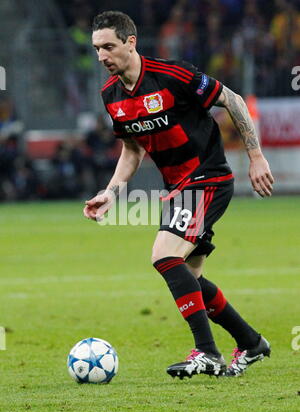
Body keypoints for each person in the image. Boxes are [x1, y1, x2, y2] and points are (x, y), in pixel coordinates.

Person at [84, 11, 274, 378]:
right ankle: (251, 344)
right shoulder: (111, 95)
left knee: (164, 256)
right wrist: (110, 193)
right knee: (191, 279)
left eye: (108, 46)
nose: (102, 56)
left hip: (207, 178)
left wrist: (255, 156)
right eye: (96, 49)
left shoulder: (173, 75)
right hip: (178, 189)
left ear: (130, 42)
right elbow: (132, 151)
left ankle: (207, 353)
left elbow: (231, 99)